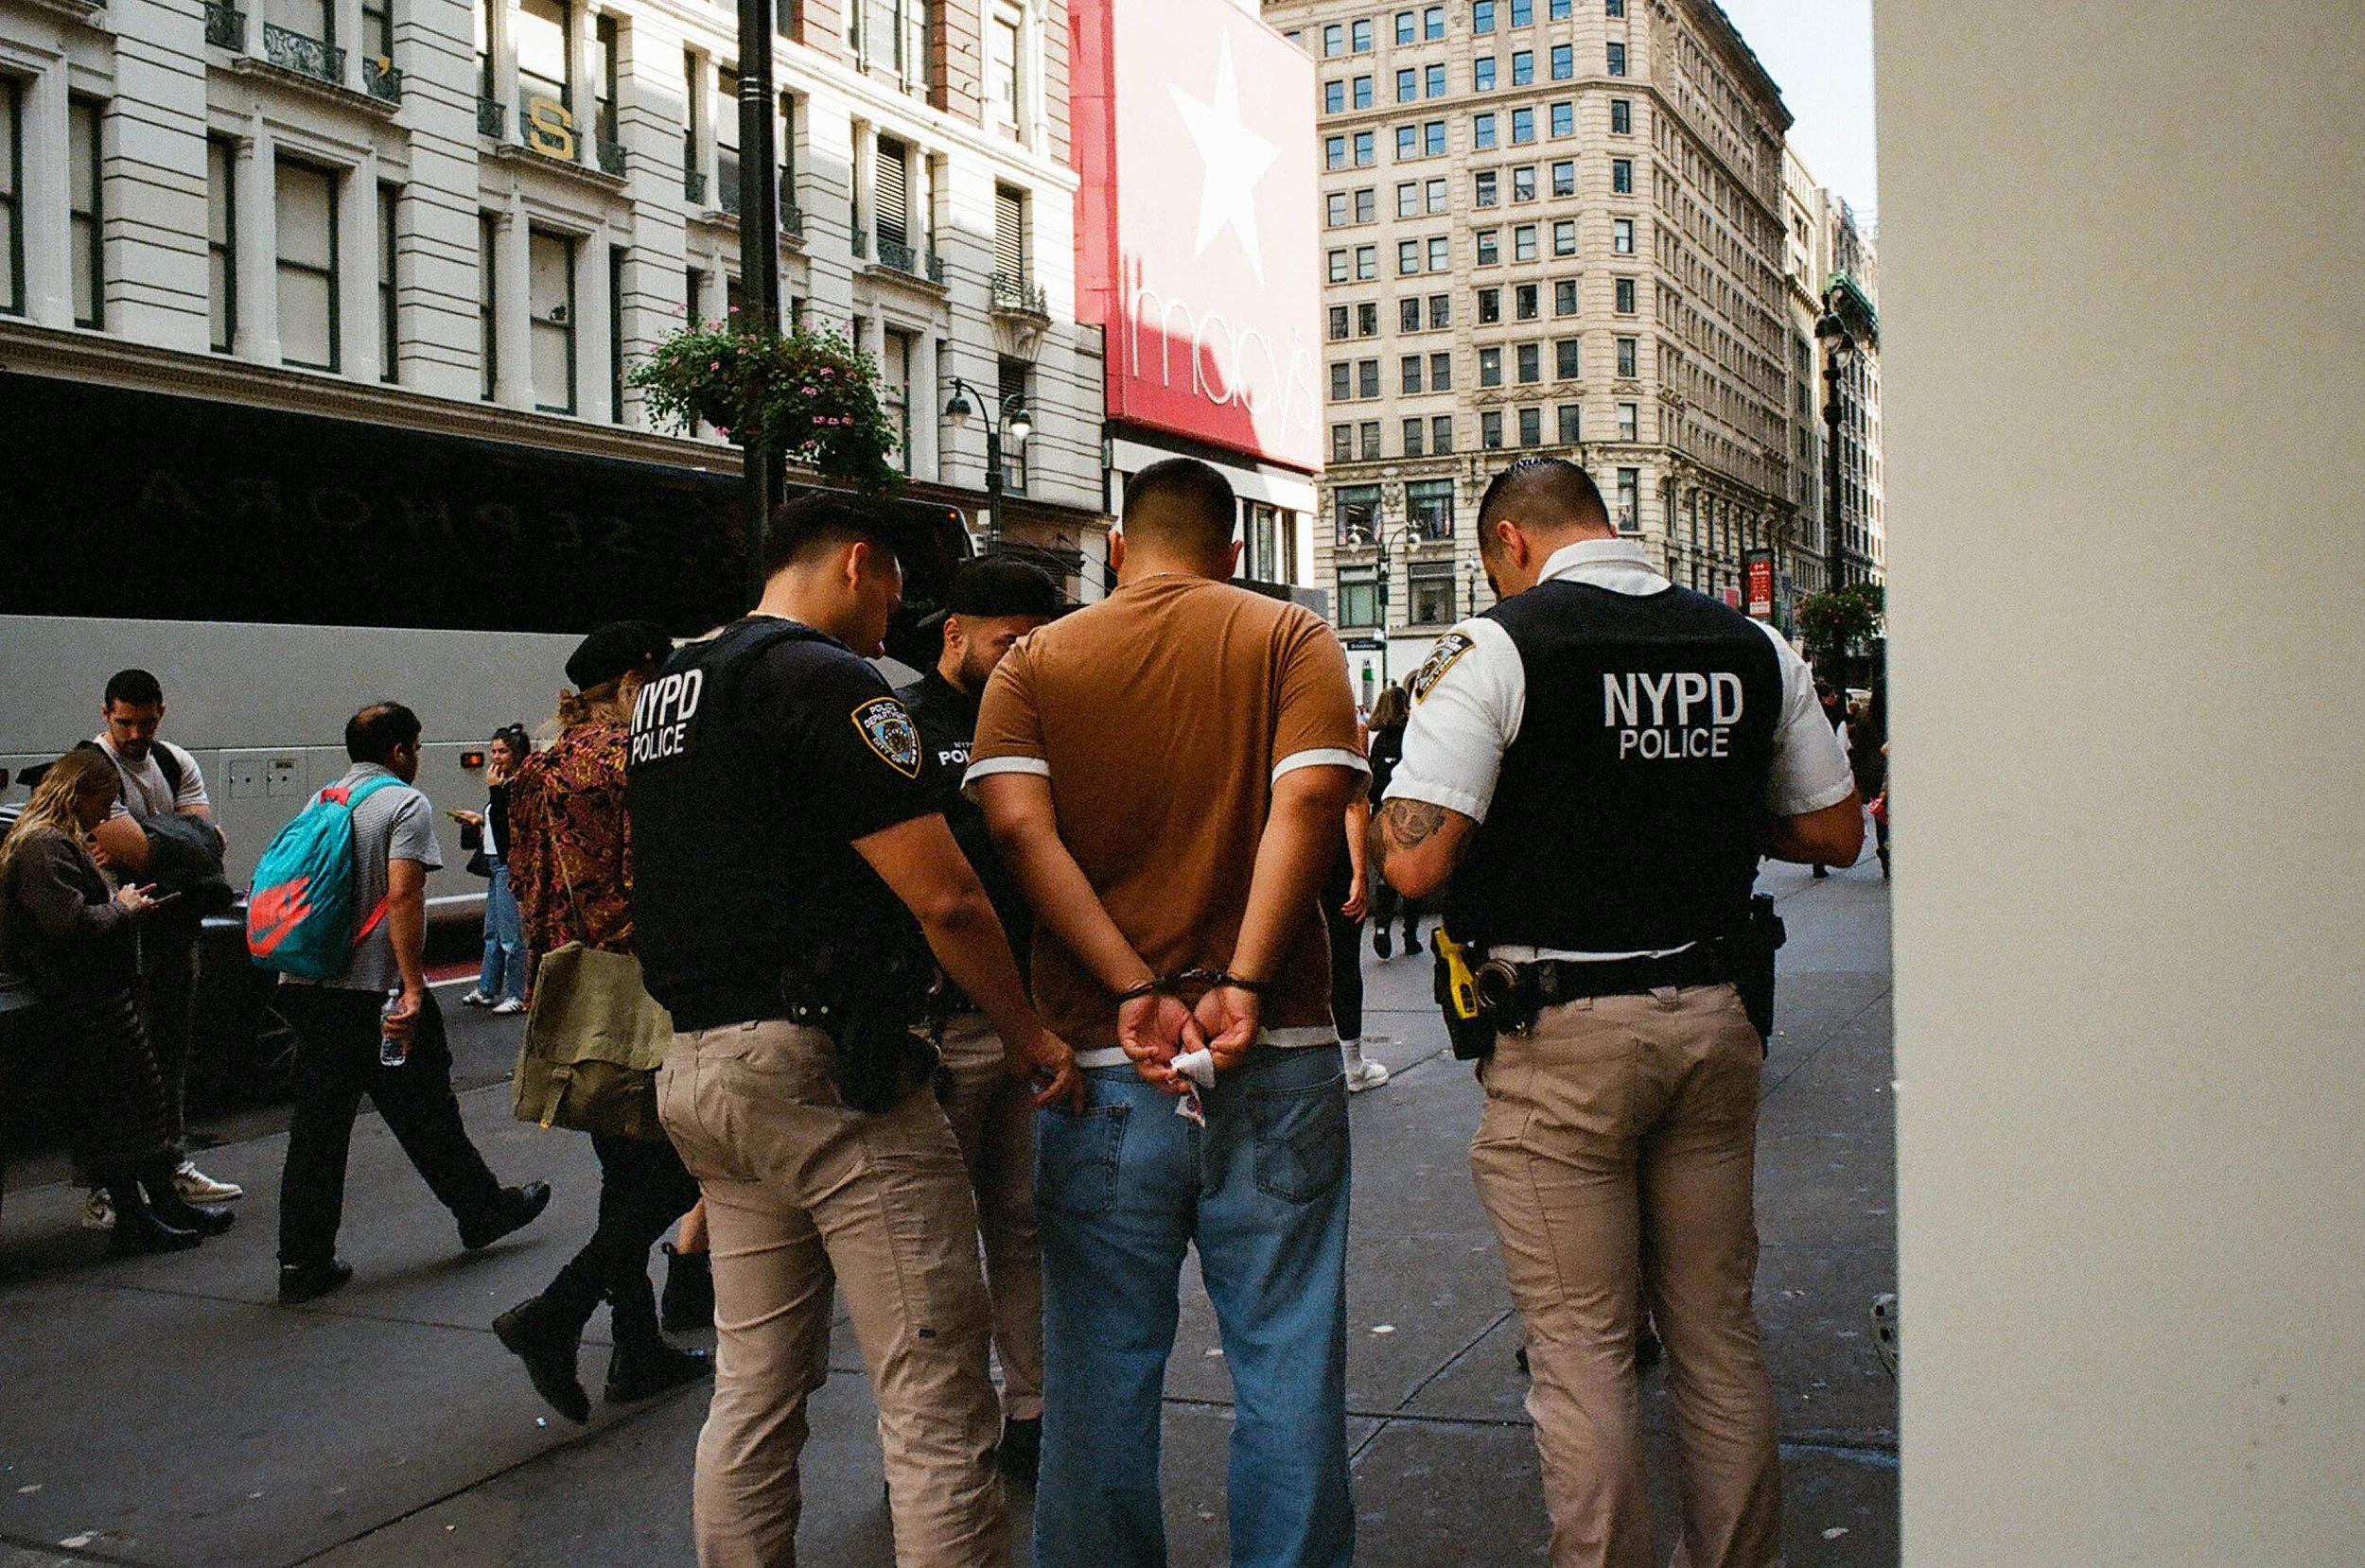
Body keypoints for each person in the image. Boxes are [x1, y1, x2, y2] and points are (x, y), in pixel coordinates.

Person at [1370, 457, 1863, 1568]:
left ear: (1509, 543)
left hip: (1563, 1037)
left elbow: (1415, 859)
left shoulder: (1499, 645)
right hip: (1716, 1015)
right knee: (1716, 1331)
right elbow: (1834, 832)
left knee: (1582, 1346)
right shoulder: (1751, 643)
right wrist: (1702, 821)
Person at [628, 492, 1080, 1568]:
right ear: (856, 563)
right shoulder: (823, 678)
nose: (900, 616)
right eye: (894, 589)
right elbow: (949, 897)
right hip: (826, 1067)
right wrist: (1028, 1035)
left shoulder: (673, 686)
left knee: (754, 1387)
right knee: (933, 1385)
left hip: (701, 1063)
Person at [969, 457, 1367, 1568]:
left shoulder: (1038, 661)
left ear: (1115, 547)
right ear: (1233, 552)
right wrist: (1239, 978)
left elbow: (1016, 830)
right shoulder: (1291, 639)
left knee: (1094, 1373)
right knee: (1288, 1361)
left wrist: (1131, 984)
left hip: (1102, 1063)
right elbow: (1309, 800)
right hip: (1273, 1047)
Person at [492, 623, 710, 1423]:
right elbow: (663, 873)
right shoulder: (633, 760)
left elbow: (520, 879)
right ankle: (557, 1313)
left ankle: (635, 1345)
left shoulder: (534, 769)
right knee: (687, 1168)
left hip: (566, 985)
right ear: (636, 679)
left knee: (624, 1176)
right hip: (640, 983)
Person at [273, 703, 552, 1305]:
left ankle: (301, 1260)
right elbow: (404, 896)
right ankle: (482, 1211)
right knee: (427, 1106)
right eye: (416, 747)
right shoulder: (404, 803)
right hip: (377, 990)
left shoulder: (322, 799)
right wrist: (414, 985)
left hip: (311, 983)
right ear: (400, 751)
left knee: (318, 1127)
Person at [895, 555, 1060, 1485]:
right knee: (935, 1242)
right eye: (1009, 641)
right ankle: (938, 1432)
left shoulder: (1038, 719)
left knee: (1022, 1221)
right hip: (945, 1018)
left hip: (1031, 1013)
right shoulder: (904, 726)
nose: (1023, 657)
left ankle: (1029, 1409)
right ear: (956, 632)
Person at [0, 751, 237, 1253]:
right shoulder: (43, 845)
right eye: (104, 803)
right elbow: (69, 924)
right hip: (82, 998)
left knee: (139, 1107)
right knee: (115, 1114)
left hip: (98, 994)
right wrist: (123, 908)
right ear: (79, 794)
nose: (106, 816)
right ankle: (134, 1217)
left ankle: (161, 1205)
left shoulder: (52, 841)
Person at [84, 668, 242, 1224]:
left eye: (145, 722)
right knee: (120, 1063)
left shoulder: (174, 760)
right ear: (106, 715)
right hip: (115, 933)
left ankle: (170, 1165)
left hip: (172, 927)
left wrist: (152, 842)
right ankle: (110, 1189)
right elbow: (178, 846)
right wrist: (173, 838)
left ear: (161, 713)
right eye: (124, 722)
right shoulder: (90, 769)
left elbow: (204, 845)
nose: (134, 734)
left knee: (170, 1051)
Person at [1324, 717, 1389, 1092]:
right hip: (1333, 855)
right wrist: (1359, 875)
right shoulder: (1347, 723)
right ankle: (1350, 1063)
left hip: (1285, 852)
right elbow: (1354, 804)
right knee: (1344, 958)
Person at [456, 724, 532, 1014]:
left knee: (511, 935)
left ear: (516, 754)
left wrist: (494, 792)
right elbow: (498, 826)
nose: (496, 757)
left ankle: (517, 993)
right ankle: (487, 989)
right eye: (494, 751)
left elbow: (511, 830)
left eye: (502, 751)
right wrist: (478, 820)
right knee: (492, 932)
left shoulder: (517, 785)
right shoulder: (503, 784)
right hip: (494, 862)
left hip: (507, 864)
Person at [1363, 685, 1427, 962]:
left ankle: (1381, 927)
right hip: (1410, 812)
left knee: (1386, 874)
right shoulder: (1413, 736)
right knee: (1415, 876)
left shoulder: (1377, 740)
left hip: (1382, 811)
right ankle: (1410, 935)